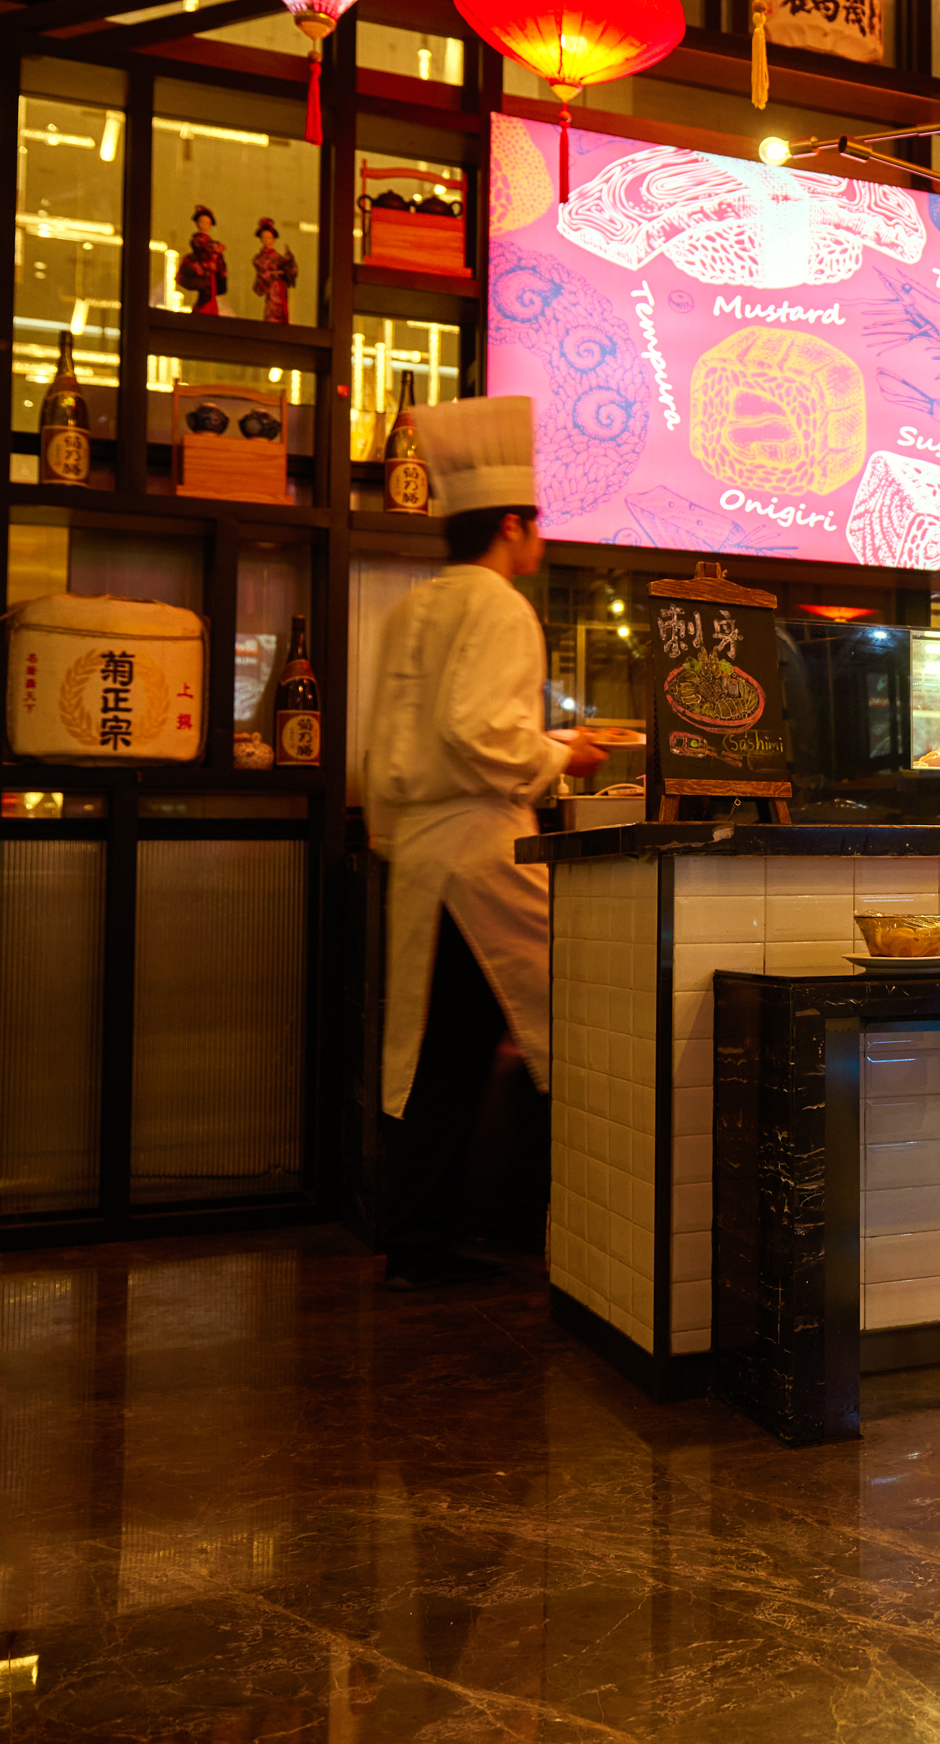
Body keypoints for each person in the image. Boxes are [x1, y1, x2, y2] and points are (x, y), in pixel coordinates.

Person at [364, 395, 608, 1289]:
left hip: (421, 853)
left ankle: (421, 1232)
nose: (540, 540)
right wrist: (560, 752)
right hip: (478, 853)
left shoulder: (414, 609)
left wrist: (396, 837)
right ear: (512, 525)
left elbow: (388, 743)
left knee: (436, 1049)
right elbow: (476, 730)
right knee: (558, 1029)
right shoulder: (502, 607)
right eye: (537, 524)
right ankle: (527, 1218)